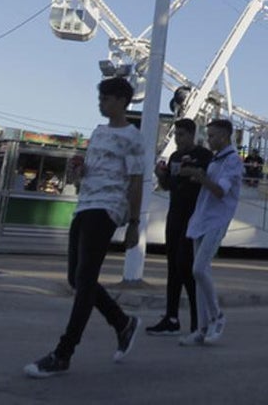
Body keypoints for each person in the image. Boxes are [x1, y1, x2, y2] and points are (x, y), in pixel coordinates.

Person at [23, 77, 145, 379]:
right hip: (85, 204)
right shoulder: (99, 132)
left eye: (105, 98)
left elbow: (136, 180)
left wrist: (133, 223)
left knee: (86, 278)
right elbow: (87, 174)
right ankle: (122, 323)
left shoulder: (133, 137)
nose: (100, 103)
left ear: (120, 100)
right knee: (77, 279)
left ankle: (64, 353)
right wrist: (78, 173)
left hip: (107, 208)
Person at [178, 118, 243, 346]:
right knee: (199, 274)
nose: (209, 139)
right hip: (202, 218)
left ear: (224, 136)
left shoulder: (233, 161)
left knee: (198, 269)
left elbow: (220, 191)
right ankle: (201, 328)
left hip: (217, 220)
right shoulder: (217, 159)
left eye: (213, 136)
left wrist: (199, 176)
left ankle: (217, 316)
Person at [146, 117, 212, 336]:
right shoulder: (174, 156)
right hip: (174, 216)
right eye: (176, 135)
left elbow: (208, 183)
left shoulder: (203, 156)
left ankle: (197, 320)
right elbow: (170, 186)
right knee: (172, 268)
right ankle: (171, 317)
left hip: (193, 218)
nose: (177, 139)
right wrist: (161, 176)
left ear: (192, 135)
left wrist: (193, 173)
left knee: (186, 267)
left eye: (181, 135)